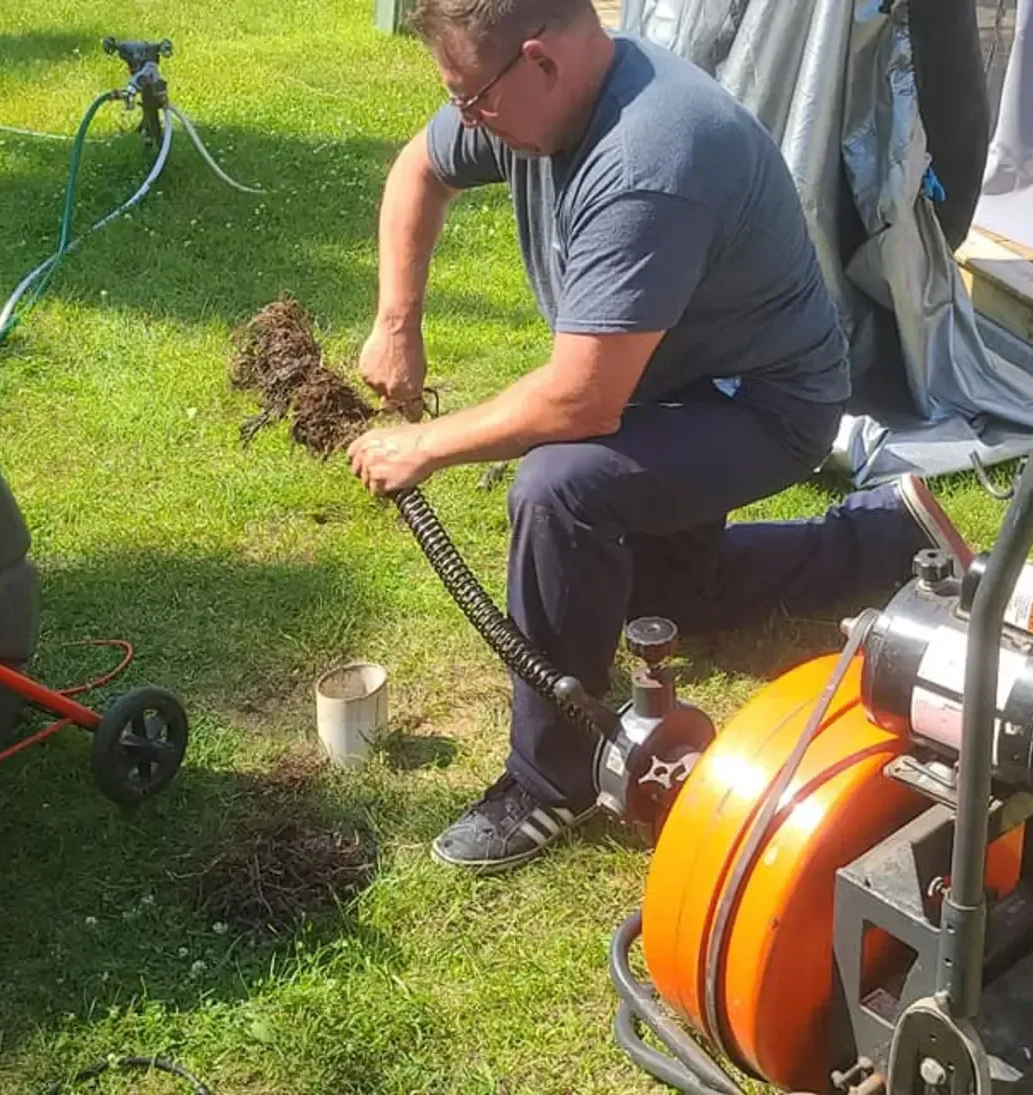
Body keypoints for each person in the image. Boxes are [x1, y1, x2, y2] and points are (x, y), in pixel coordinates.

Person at [346, 0, 971, 873]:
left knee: (560, 489)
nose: (465, 120)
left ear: (541, 61)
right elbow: (420, 170)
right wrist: (396, 320)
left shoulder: (649, 157)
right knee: (667, 600)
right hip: (674, 380)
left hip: (764, 401)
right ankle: (887, 536)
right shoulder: (524, 94)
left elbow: (582, 402)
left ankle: (550, 779)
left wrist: (424, 445)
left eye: (472, 100)